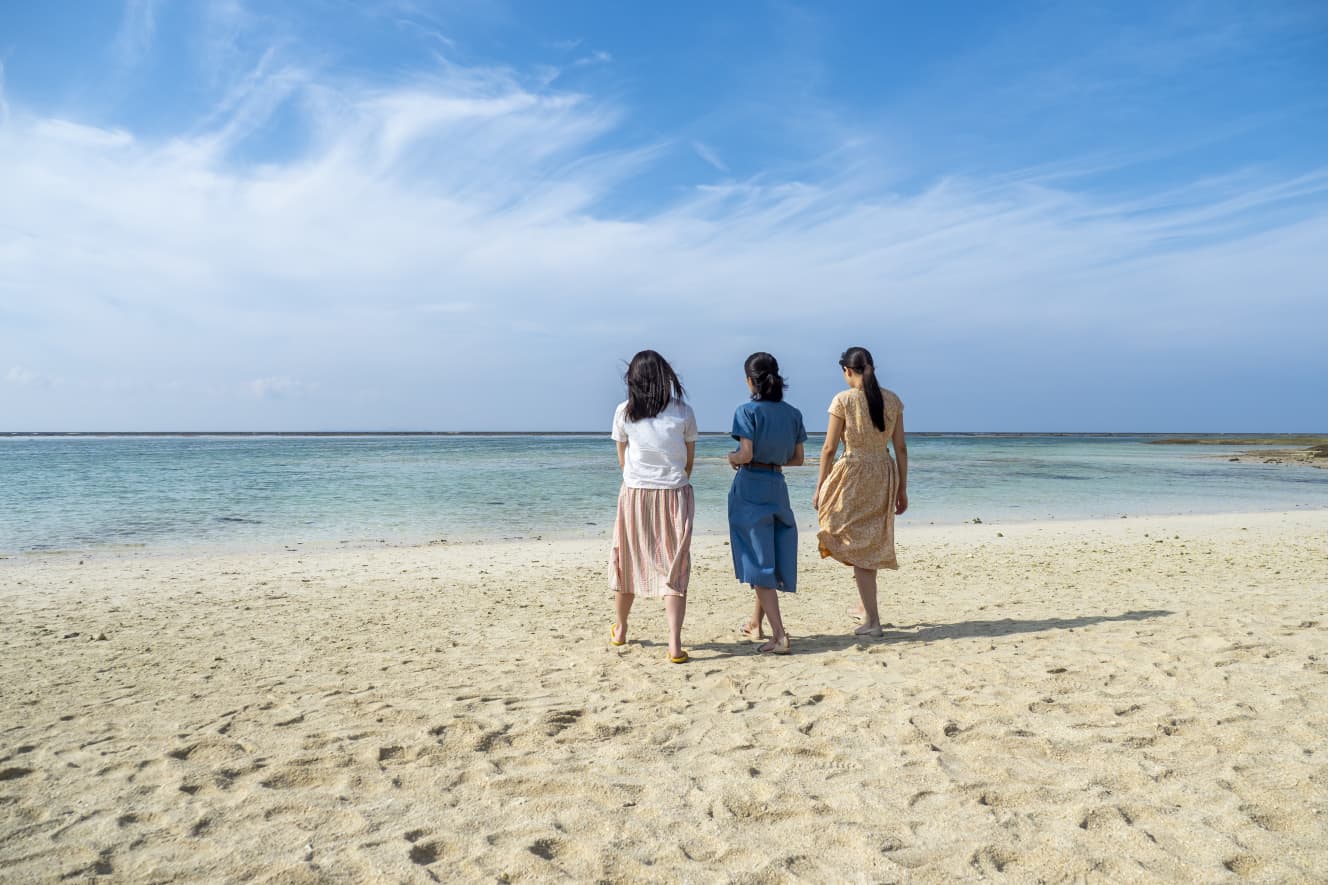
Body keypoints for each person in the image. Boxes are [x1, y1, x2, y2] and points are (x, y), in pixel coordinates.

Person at [609, 350, 698, 664]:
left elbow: (623, 459)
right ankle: (674, 645)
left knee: (627, 561)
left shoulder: (625, 412)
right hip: (674, 493)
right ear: (665, 377)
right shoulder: (683, 412)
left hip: (635, 494)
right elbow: (688, 462)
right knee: (675, 567)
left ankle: (621, 629)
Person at [813, 346, 908, 637]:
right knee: (868, 540)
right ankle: (866, 606)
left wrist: (820, 487)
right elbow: (901, 448)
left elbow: (829, 448)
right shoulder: (892, 400)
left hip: (854, 471)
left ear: (847, 370)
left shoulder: (843, 400)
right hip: (883, 470)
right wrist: (902, 487)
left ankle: (873, 621)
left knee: (841, 530)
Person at [729, 352, 806, 654]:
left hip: (751, 485)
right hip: (778, 485)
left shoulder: (746, 411)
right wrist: (774, 456)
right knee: (770, 557)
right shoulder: (793, 413)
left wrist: (732, 458)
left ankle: (780, 635)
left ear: (750, 380)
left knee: (758, 561)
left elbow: (745, 453)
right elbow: (798, 459)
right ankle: (755, 623)